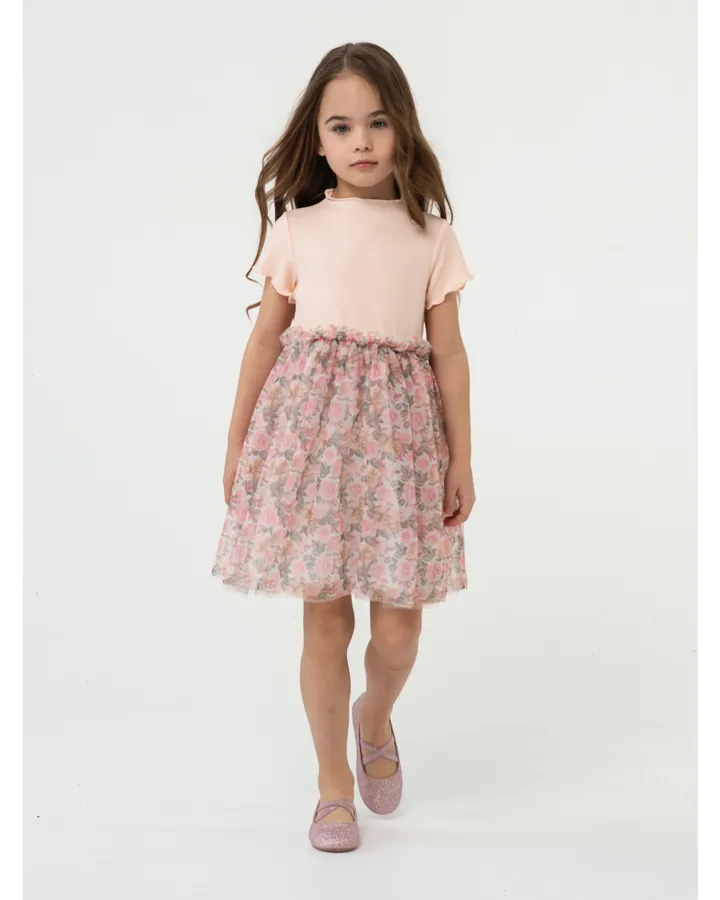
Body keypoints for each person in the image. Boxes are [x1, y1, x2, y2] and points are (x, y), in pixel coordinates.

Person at [212, 41, 476, 852]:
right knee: (325, 625)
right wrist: (239, 443)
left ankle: (375, 717)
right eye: (341, 126)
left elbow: (449, 353)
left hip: (401, 450)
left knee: (398, 634)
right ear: (318, 141)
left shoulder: (430, 236)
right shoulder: (299, 229)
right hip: (310, 444)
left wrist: (462, 457)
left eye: (378, 122)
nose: (361, 140)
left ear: (403, 130)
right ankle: (333, 788)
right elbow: (265, 341)